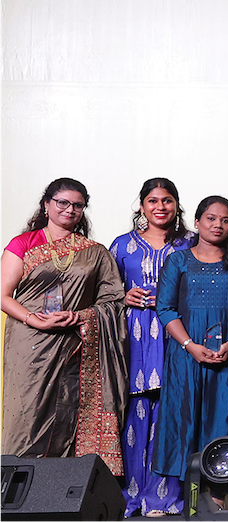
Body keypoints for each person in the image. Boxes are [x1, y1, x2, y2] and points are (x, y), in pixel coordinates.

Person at [0, 178, 127, 479]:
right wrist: (33, 319)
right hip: (29, 343)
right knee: (26, 417)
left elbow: (113, 301)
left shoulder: (95, 252)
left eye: (78, 205)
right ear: (47, 205)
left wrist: (81, 316)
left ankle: (58, 491)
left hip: (75, 344)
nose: (70, 210)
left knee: (68, 412)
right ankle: (15, 493)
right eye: (63, 203)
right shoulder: (24, 244)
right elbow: (3, 295)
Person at [152, 196, 228, 505]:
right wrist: (190, 346)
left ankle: (219, 499)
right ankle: (192, 499)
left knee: (226, 421)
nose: (218, 225)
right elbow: (165, 308)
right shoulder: (178, 261)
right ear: (198, 222)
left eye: (225, 220)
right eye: (211, 218)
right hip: (188, 357)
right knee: (188, 419)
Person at [109, 178, 193, 517]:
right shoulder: (120, 246)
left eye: (168, 200)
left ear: (177, 205)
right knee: (134, 415)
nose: (161, 207)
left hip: (177, 335)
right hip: (135, 337)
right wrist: (122, 296)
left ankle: (166, 497)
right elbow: (103, 293)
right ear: (141, 206)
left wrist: (177, 300)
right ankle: (131, 496)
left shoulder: (190, 244)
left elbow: (204, 287)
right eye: (153, 200)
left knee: (172, 412)